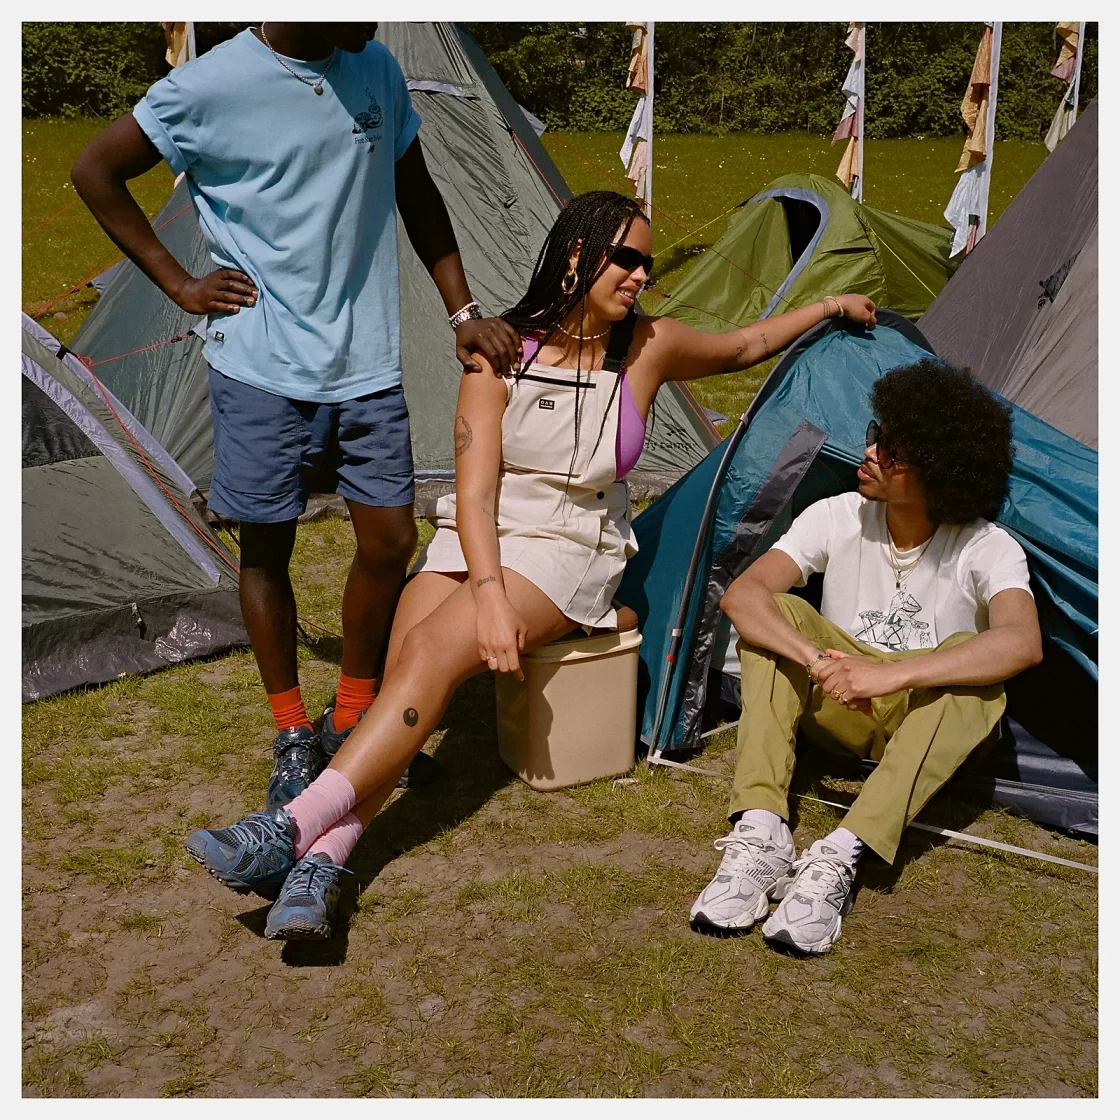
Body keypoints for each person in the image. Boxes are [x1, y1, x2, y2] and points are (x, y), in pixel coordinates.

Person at [185, 188, 879, 940]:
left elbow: (744, 346)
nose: (641, 276)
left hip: (571, 545)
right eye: (627, 259)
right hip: (480, 532)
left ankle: (290, 828)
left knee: (429, 651)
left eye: (646, 264)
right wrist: (487, 595)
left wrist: (830, 305)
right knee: (409, 661)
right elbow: (475, 494)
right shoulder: (500, 351)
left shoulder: (649, 346)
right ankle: (320, 866)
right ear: (577, 256)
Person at [70, 23, 523, 808]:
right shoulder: (210, 85)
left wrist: (463, 311)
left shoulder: (375, 69)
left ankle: (349, 718)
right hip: (259, 368)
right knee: (266, 547)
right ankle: (289, 732)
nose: (372, 18)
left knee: (390, 540)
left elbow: (416, 189)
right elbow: (94, 170)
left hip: (366, 362)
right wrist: (179, 283)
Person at [690, 359, 1043, 954]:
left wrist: (887, 675)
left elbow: (1021, 641)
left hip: (920, 720)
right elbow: (743, 595)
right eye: (877, 434)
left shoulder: (988, 546)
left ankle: (841, 853)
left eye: (894, 451)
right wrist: (818, 660)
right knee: (777, 616)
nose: (871, 451)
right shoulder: (836, 515)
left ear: (939, 472)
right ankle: (762, 830)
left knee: (976, 667)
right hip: (836, 701)